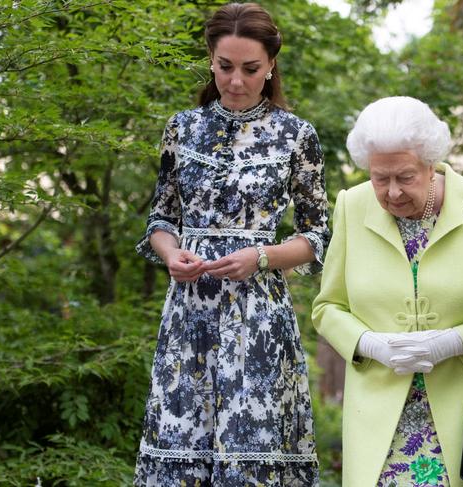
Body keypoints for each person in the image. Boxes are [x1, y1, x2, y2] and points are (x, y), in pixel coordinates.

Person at [133, 4, 329, 486]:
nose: (235, 80)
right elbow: (161, 218)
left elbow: (318, 235)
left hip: (259, 318)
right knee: (181, 455)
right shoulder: (182, 128)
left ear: (271, 67)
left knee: (252, 457)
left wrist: (261, 257)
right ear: (211, 60)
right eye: (224, 67)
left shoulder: (296, 136)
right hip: (189, 315)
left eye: (250, 69)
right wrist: (169, 253)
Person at [312, 96, 463, 487]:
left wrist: (453, 342)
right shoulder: (352, 205)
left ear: (430, 164)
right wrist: (369, 343)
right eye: (380, 178)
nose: (392, 192)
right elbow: (328, 307)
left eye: (405, 177)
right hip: (379, 422)